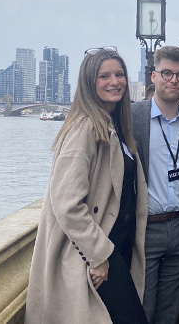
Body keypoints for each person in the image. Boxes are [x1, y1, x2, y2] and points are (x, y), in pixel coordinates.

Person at [25, 47, 149, 324]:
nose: (114, 82)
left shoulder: (115, 125)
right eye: (103, 76)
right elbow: (67, 204)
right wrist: (98, 255)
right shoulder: (84, 129)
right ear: (89, 83)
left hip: (116, 247)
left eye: (119, 74)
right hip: (97, 253)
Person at [131, 46, 179, 324]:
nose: (173, 80)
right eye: (166, 73)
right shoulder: (132, 117)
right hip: (144, 229)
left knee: (169, 314)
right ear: (153, 76)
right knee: (141, 311)